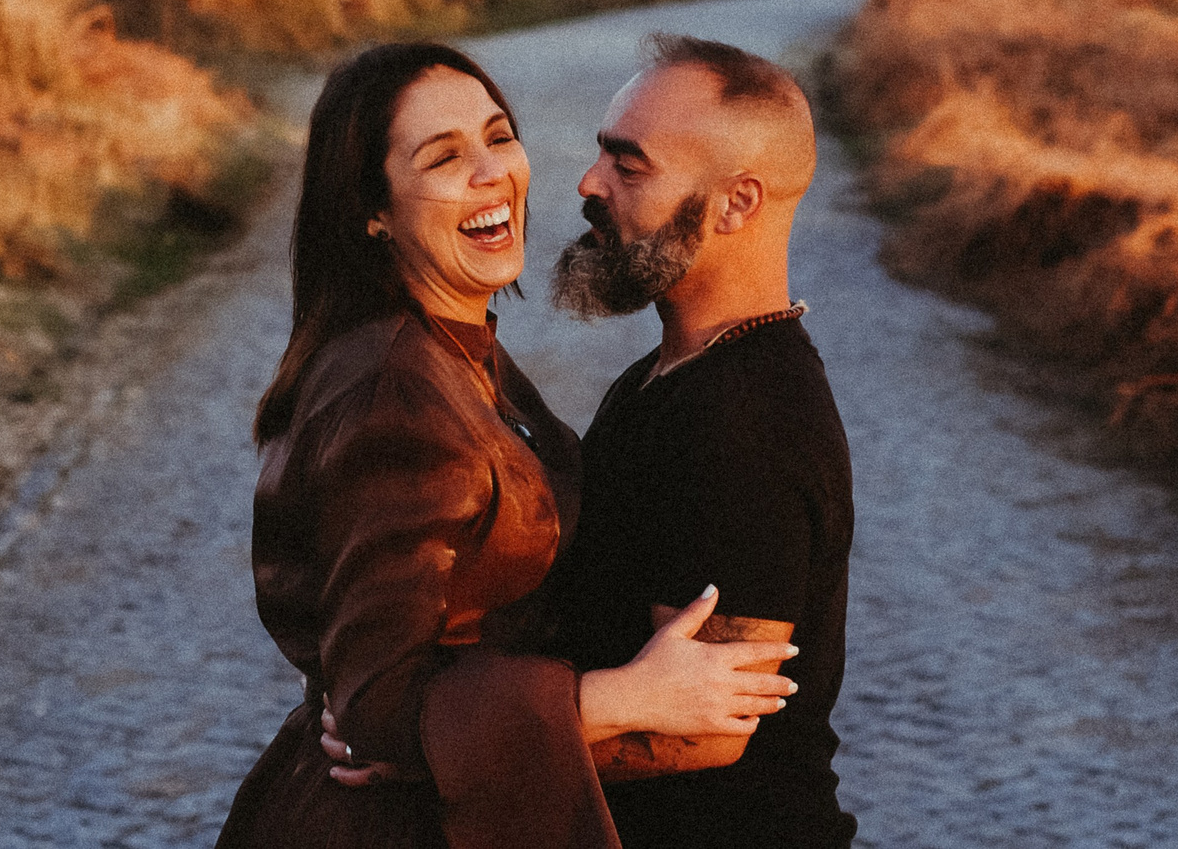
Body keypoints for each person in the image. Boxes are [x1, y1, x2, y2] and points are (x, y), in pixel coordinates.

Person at [217, 42, 799, 849]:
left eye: (498, 135)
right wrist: (615, 699)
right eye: (444, 157)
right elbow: (379, 705)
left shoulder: (455, 352)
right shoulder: (394, 387)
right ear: (372, 209)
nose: (496, 172)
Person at [545, 34, 858, 849]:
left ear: (737, 203)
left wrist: (428, 756)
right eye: (600, 156)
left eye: (629, 164)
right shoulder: (669, 376)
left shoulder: (742, 423)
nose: (589, 183)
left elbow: (704, 735)